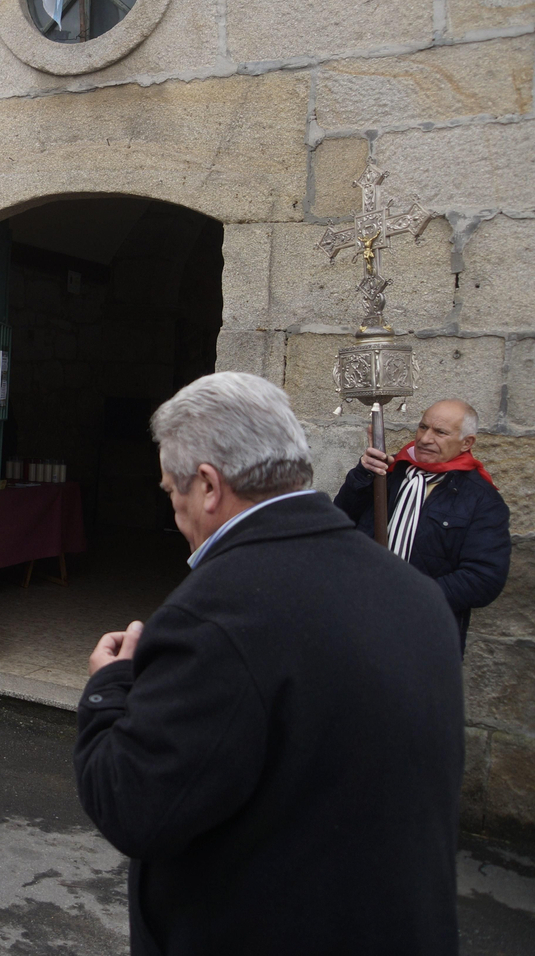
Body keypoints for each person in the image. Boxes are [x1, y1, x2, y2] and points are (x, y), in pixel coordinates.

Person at [75, 372, 463, 956]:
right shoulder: (417, 595)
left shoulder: (214, 615)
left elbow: (134, 807)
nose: (176, 514)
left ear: (207, 485)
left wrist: (109, 687)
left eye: (170, 493)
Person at [333, 398, 510, 652]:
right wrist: (363, 472)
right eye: (423, 427)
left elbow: (484, 578)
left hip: (425, 636)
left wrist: (409, 595)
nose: (426, 439)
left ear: (466, 443)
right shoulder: (390, 474)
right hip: (359, 619)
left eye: (440, 432)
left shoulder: (482, 500)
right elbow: (341, 520)